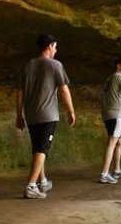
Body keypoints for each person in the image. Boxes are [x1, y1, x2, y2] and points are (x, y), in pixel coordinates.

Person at [16, 34, 76, 199]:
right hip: (48, 114)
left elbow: (20, 92)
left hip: (31, 114)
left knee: (37, 149)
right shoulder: (55, 65)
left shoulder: (26, 66)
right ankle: (31, 186)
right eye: (55, 47)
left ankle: (42, 181)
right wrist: (71, 110)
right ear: (50, 46)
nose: (56, 50)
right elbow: (64, 89)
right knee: (42, 149)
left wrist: (18, 114)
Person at [99, 57, 121, 184]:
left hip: (107, 113)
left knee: (119, 141)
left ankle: (117, 170)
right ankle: (104, 173)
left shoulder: (109, 78)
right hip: (116, 113)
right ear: (118, 66)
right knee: (112, 142)